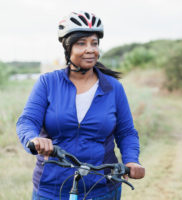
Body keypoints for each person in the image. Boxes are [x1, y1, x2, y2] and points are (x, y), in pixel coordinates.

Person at [16, 11, 145, 200]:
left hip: (102, 186)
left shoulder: (113, 88)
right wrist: (33, 139)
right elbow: (27, 121)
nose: (90, 49)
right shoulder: (48, 83)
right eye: (81, 43)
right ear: (68, 48)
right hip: (52, 189)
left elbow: (126, 132)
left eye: (94, 43)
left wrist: (132, 160)